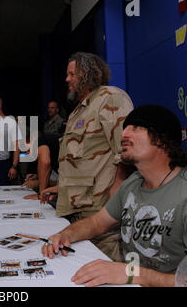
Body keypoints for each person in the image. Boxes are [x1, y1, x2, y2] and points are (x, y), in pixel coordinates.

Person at [42, 105, 187, 287]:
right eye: (125, 128)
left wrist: (130, 273)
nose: (124, 134)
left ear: (162, 140)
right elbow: (96, 223)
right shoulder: (133, 182)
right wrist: (67, 234)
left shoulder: (183, 192)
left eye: (136, 128)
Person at [40, 52, 134, 261]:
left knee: (109, 269)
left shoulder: (110, 98)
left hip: (99, 211)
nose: (67, 80)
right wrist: (61, 186)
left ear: (87, 74)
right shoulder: (78, 111)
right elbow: (82, 161)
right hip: (78, 210)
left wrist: (118, 187)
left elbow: (127, 150)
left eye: (72, 74)